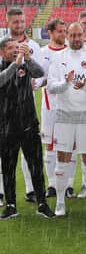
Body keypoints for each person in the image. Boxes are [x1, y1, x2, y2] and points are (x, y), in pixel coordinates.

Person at [47, 23, 86, 217]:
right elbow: (51, 87)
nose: (76, 39)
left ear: (84, 35)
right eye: (72, 35)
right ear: (66, 36)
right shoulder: (57, 57)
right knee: (62, 158)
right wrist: (65, 83)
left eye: (79, 35)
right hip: (64, 114)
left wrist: (85, 85)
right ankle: (60, 202)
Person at [0, 36, 56, 219]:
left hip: (29, 125)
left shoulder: (25, 64)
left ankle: (41, 203)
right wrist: (16, 64)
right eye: (10, 48)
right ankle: (10, 205)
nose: (15, 50)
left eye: (17, 47)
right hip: (7, 127)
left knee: (36, 165)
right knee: (9, 168)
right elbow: (2, 80)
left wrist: (28, 59)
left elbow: (40, 73)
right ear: (2, 52)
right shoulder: (6, 67)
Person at [5, 8, 43, 202]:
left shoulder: (33, 45)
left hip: (26, 107)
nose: (19, 25)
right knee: (5, 154)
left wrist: (38, 82)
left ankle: (31, 191)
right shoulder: (3, 44)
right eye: (15, 22)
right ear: (7, 22)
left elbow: (41, 72)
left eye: (21, 21)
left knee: (29, 154)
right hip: (5, 107)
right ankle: (3, 194)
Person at [36, 19, 68, 200]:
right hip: (49, 106)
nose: (63, 34)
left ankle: (68, 184)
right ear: (50, 33)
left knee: (67, 145)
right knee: (50, 144)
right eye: (60, 31)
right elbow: (40, 78)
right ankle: (52, 185)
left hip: (69, 105)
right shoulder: (42, 53)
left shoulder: (70, 52)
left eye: (65, 31)